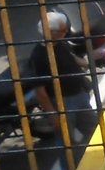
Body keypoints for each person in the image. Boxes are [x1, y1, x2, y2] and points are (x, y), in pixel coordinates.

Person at [24, 9, 98, 149]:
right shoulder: (39, 56)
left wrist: (90, 62)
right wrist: (52, 114)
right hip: (62, 102)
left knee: (94, 129)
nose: (66, 32)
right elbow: (40, 90)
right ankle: (71, 168)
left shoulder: (60, 43)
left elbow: (73, 58)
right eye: (63, 30)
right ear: (51, 32)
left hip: (79, 95)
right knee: (67, 142)